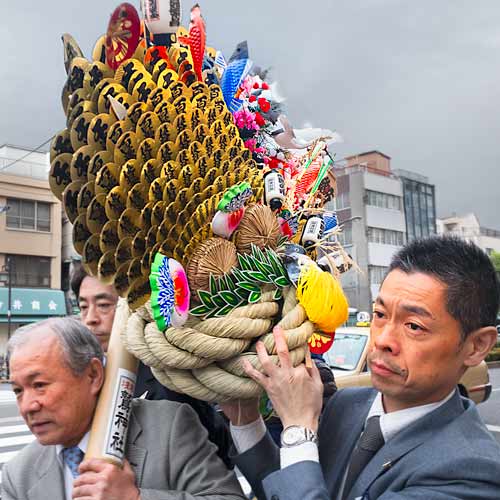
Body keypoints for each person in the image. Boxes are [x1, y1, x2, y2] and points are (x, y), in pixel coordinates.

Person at [222, 236, 500, 500]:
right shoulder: (346, 405)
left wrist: (298, 429)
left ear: (476, 346)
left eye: (414, 326)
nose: (382, 340)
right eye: (380, 315)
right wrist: (246, 421)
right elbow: (289, 485)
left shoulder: (471, 471)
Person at [2, 317, 245, 500]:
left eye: (40, 385)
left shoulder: (169, 427)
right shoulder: (18, 476)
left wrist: (135, 497)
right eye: (18, 391)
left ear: (93, 375)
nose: (28, 406)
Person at [70, 265, 233, 467]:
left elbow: (216, 455)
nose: (90, 319)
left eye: (103, 305)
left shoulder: (167, 378)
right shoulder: (78, 378)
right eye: (83, 307)